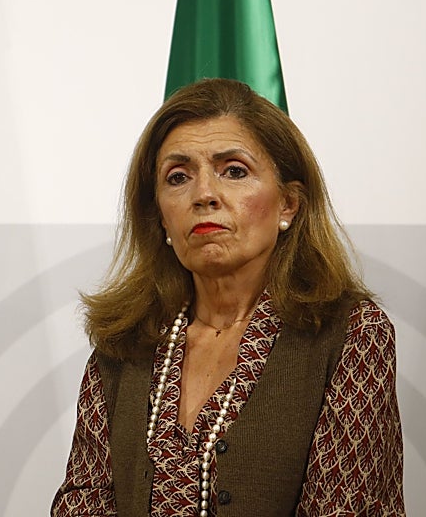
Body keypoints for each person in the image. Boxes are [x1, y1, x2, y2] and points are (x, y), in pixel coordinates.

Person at [50, 78, 404, 516]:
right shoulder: (124, 344)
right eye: (177, 177)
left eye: (234, 171)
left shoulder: (352, 334)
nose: (204, 195)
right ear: (160, 215)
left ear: (289, 204)